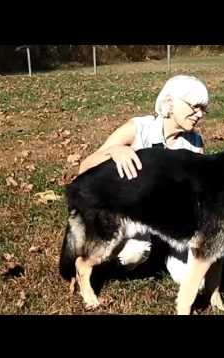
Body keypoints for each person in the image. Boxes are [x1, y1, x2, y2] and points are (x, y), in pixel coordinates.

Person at [78, 74, 209, 286]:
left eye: (204, 109)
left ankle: (166, 253)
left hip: (172, 221)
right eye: (194, 106)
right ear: (170, 102)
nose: (199, 114)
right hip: (132, 215)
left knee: (198, 283)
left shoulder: (194, 142)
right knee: (134, 254)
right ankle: (105, 262)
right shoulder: (139, 128)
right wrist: (115, 150)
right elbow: (85, 167)